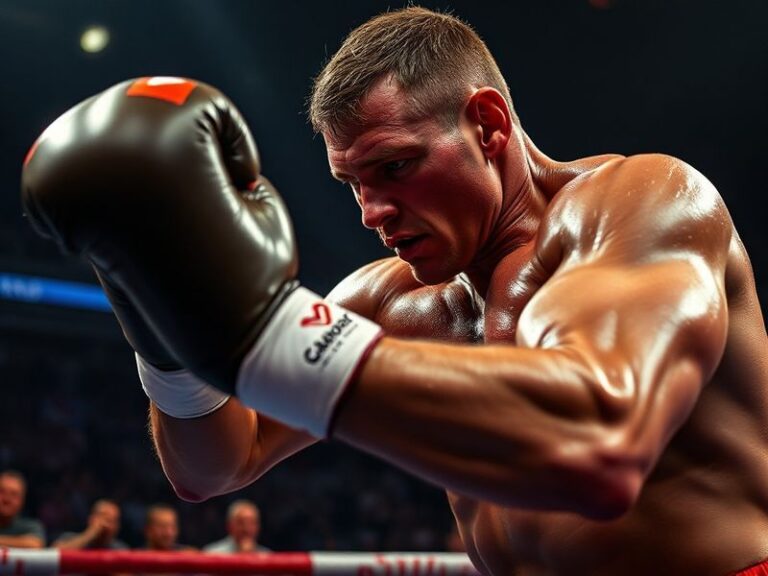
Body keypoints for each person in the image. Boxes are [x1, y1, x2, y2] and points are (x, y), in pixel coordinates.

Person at [20, 6, 768, 575]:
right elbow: (215, 464)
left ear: (487, 123)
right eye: (351, 184)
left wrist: (259, 334)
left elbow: (599, 440)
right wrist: (156, 307)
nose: (373, 213)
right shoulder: (392, 302)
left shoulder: (643, 202)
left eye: (396, 168)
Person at [53, 498, 129, 550]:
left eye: (110, 520)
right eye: (102, 517)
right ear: (91, 519)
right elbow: (53, 557)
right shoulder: (68, 538)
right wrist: (91, 533)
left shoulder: (120, 549)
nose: (105, 524)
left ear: (117, 527)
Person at [202, 500, 269, 553]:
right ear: (230, 525)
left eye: (252, 523)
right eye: (241, 523)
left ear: (258, 526)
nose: (246, 529)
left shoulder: (267, 557)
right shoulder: (212, 554)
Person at [0, 470, 45, 548]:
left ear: (22, 500)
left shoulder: (30, 526)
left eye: (14, 494)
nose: (7, 499)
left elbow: (35, 545)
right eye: (2, 491)